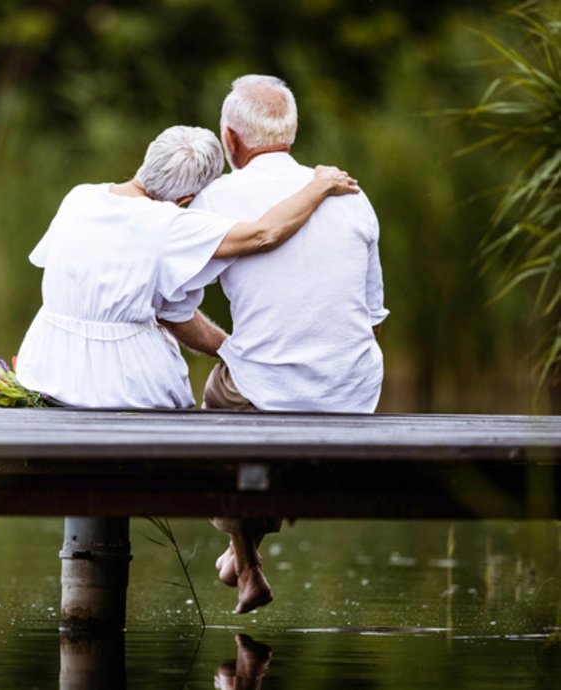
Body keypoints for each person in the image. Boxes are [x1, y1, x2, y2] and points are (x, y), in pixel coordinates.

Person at [187, 75, 389, 614]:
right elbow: (371, 313)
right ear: (291, 134)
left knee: (222, 399)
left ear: (230, 140)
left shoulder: (217, 199)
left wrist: (227, 347)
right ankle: (242, 559)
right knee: (263, 388)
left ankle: (245, 561)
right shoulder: (350, 193)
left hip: (271, 389)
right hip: (353, 392)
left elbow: (174, 303)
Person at [15, 124, 359, 408]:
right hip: (123, 383)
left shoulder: (79, 197)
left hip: (46, 367)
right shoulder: (171, 225)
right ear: (187, 200)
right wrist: (319, 186)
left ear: (150, 152)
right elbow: (265, 234)